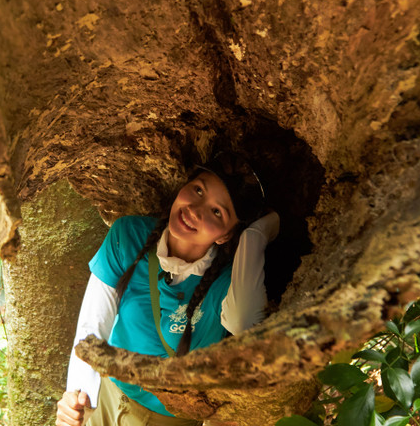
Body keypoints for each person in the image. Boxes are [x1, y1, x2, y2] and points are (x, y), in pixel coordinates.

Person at [55, 153, 280, 426]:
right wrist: (78, 395)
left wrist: (255, 236)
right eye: (198, 190)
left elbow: (244, 321)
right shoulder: (129, 235)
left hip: (170, 420)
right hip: (108, 397)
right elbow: (93, 324)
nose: (195, 209)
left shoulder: (228, 278)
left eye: (217, 212)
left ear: (227, 234)